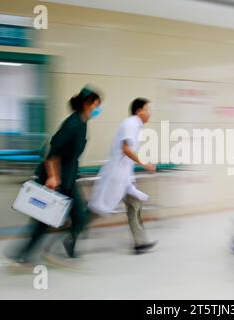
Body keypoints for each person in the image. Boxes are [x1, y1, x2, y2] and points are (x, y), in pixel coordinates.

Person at [10, 86, 102, 264]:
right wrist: (53, 176)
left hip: (69, 178)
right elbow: (52, 153)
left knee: (80, 216)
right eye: (96, 105)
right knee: (43, 220)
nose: (97, 109)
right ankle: (22, 254)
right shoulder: (72, 124)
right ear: (86, 104)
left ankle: (70, 243)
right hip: (56, 179)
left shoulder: (82, 123)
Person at [88, 98, 157, 254]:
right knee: (98, 208)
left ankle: (140, 243)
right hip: (116, 176)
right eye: (147, 109)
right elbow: (125, 149)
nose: (149, 113)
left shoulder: (135, 125)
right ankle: (74, 231)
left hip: (124, 177)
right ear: (139, 111)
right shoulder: (131, 124)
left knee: (134, 205)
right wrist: (145, 163)